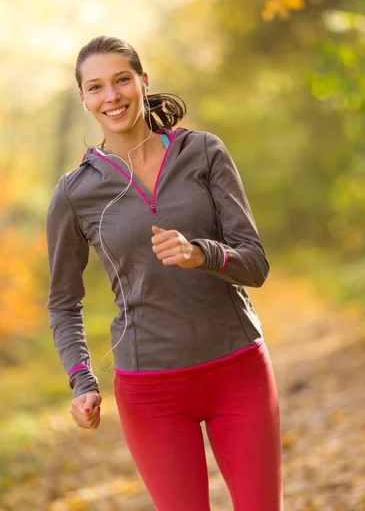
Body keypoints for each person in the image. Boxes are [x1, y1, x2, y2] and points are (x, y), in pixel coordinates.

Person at [46, 35, 283, 511]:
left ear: (143, 82)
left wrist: (203, 254)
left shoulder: (203, 152)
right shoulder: (76, 192)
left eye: (121, 80)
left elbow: (255, 264)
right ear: (84, 100)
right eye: (96, 87)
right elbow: (63, 301)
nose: (111, 96)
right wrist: (82, 380)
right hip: (150, 388)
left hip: (238, 367)